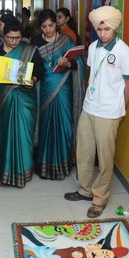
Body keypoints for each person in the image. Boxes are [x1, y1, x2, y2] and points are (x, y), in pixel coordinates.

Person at [64, 6, 129, 218]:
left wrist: (120, 110)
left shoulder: (123, 51)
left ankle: (99, 198)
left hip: (109, 112)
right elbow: (92, 75)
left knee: (105, 158)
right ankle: (85, 190)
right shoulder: (93, 47)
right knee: (84, 151)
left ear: (114, 28)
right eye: (99, 29)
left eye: (106, 29)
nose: (102, 33)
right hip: (89, 107)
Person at [0, 18, 44, 187]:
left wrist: (33, 79)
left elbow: (39, 69)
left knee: (24, 135)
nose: (15, 42)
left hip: (25, 100)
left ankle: (23, 171)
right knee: (3, 136)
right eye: (11, 38)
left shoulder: (29, 50)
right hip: (2, 102)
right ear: (3, 36)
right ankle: (2, 173)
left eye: (17, 38)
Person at [31, 9, 84, 180]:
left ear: (57, 24)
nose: (48, 29)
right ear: (40, 27)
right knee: (45, 125)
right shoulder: (35, 42)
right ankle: (44, 165)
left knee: (63, 124)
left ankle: (62, 164)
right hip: (43, 88)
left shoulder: (66, 41)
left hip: (63, 88)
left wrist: (68, 63)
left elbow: (78, 64)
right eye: (44, 26)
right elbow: (32, 65)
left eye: (51, 25)